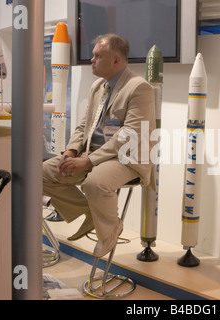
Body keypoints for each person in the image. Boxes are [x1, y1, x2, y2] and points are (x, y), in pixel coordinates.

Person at [43, 33, 156, 258]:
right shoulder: (98, 86)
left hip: (125, 158)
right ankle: (90, 213)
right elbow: (85, 124)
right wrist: (71, 150)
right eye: (93, 56)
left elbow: (129, 135)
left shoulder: (139, 88)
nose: (92, 60)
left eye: (98, 56)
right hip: (90, 153)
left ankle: (110, 230)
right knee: (43, 172)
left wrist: (88, 162)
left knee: (95, 182)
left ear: (116, 59)